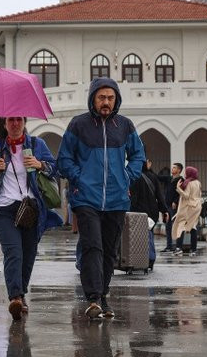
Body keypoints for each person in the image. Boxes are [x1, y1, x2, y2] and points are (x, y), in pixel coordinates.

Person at [57, 77, 145, 319]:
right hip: (86, 198)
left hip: (117, 199)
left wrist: (128, 176)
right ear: (93, 99)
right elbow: (64, 158)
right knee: (92, 246)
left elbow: (138, 155)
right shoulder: (78, 125)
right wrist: (79, 178)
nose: (106, 102)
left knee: (109, 250)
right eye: (101, 97)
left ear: (116, 100)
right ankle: (93, 297)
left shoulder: (125, 126)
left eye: (110, 98)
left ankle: (103, 296)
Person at [0, 116, 62, 321]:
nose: (15, 124)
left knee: (28, 254)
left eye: (18, 120)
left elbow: (55, 169)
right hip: (3, 209)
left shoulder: (36, 144)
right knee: (13, 251)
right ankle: (15, 297)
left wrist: (39, 164)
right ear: (4, 123)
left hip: (30, 208)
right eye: (10, 120)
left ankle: (21, 294)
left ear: (24, 122)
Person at [128, 159, 167, 271]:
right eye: (148, 162)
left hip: (137, 211)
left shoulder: (134, 177)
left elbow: (132, 197)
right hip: (151, 212)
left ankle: (136, 260)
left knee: (135, 237)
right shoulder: (153, 177)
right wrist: (164, 210)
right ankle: (150, 259)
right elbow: (160, 195)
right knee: (149, 234)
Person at [172, 166, 202, 256]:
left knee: (181, 226)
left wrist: (178, 188)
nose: (185, 174)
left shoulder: (189, 183)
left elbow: (186, 196)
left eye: (186, 172)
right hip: (196, 207)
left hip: (188, 207)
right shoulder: (198, 183)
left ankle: (178, 248)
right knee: (193, 227)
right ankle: (193, 250)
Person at [161, 163, 184, 253]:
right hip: (167, 206)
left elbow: (181, 192)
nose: (172, 169)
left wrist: (176, 201)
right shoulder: (170, 179)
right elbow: (158, 178)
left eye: (174, 168)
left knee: (175, 226)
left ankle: (177, 246)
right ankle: (169, 246)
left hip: (174, 207)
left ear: (179, 170)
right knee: (168, 226)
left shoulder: (181, 180)